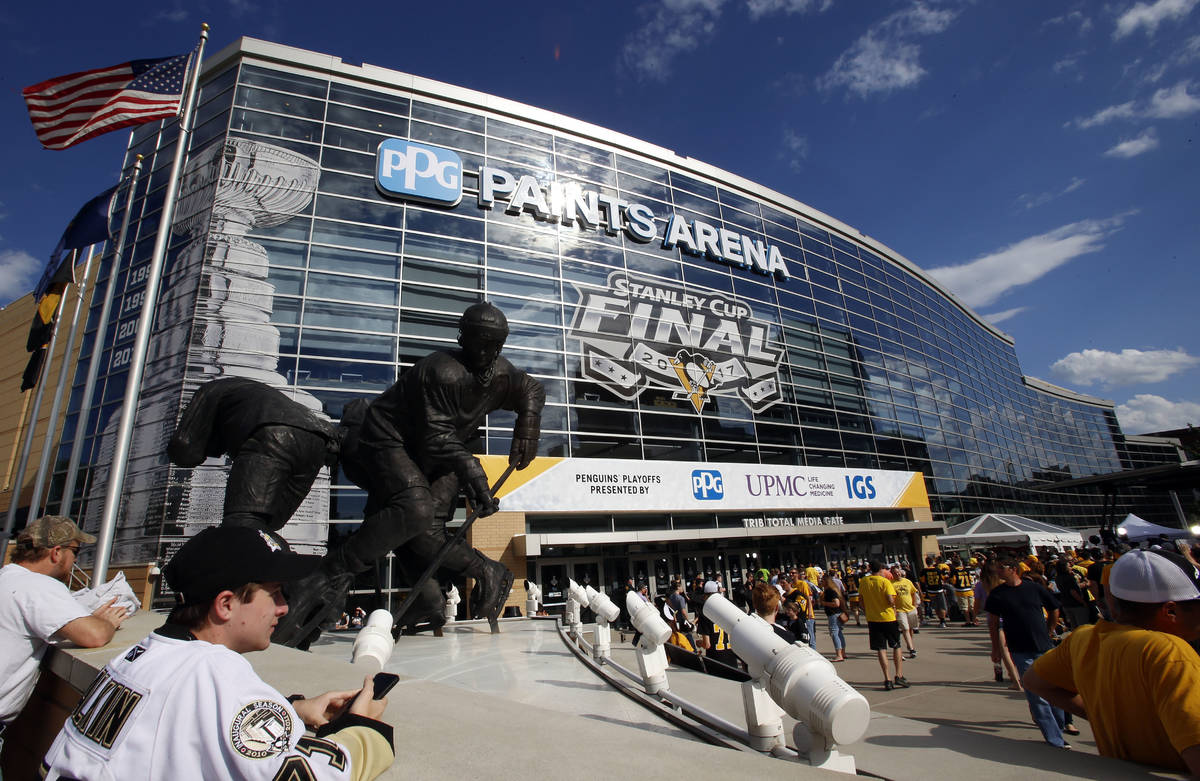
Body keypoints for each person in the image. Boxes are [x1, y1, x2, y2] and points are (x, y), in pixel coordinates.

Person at [277, 303, 545, 645]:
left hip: (445, 450)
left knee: (425, 533)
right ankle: (326, 576)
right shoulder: (441, 371)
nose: (485, 351)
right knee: (414, 510)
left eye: (493, 344)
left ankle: (445, 594)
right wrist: (474, 475)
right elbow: (435, 438)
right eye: (478, 341)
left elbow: (532, 390)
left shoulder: (502, 376)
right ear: (462, 337)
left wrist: (528, 427)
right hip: (392, 438)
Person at [41, 525, 394, 781]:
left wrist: (295, 710)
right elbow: (311, 777)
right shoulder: (213, 670)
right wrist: (362, 727)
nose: (285, 608)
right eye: (275, 593)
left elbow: (189, 713)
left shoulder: (139, 657)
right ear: (225, 604)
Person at [1024, 549, 1200, 774]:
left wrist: (1102, 715)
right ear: (1171, 611)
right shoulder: (1170, 653)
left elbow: (1034, 681)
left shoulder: (1084, 638)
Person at [0, 516, 130, 743]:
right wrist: (107, 622)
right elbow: (94, 635)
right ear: (56, 552)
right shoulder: (37, 586)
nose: (75, 561)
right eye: (75, 552)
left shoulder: (7, 578)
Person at [167, 377, 342, 534]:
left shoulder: (211, 390)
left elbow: (184, 448)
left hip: (275, 433)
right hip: (317, 439)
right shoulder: (254, 394)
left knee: (243, 522)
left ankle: (237, 562)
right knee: (271, 521)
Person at [984, 558, 1069, 749]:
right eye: (997, 568)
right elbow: (993, 623)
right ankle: (1054, 738)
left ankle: (1060, 727)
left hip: (1044, 646)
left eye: (1001, 568)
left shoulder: (1033, 589)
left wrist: (1050, 628)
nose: (998, 571)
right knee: (1036, 695)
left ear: (1013, 569)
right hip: (1020, 650)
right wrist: (996, 648)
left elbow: (1054, 607)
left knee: (1054, 690)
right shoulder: (997, 595)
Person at [859, 560, 907, 691]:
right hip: (888, 617)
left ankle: (887, 678)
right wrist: (894, 608)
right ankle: (899, 674)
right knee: (896, 645)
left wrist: (868, 610)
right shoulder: (885, 582)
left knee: (881, 649)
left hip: (873, 619)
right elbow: (891, 600)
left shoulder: (864, 581)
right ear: (881, 569)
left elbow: (861, 601)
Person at [975, 557, 1021, 690]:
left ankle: (1015, 681)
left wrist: (974, 616)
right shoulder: (1004, 583)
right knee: (1014, 650)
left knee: (1003, 651)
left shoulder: (981, 585)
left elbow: (977, 603)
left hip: (995, 620)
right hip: (1010, 618)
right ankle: (1020, 677)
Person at [890, 564, 919, 659]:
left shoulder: (907, 582)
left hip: (910, 609)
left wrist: (914, 605)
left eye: (898, 572)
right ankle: (911, 649)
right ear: (892, 574)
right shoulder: (891, 584)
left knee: (910, 629)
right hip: (899, 610)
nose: (897, 574)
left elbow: (913, 593)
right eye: (895, 573)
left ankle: (909, 643)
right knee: (905, 629)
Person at [819, 572, 847, 662]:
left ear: (826, 582)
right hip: (837, 614)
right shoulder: (832, 590)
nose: (820, 582)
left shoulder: (830, 591)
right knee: (839, 633)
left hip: (833, 614)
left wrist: (824, 603)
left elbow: (836, 603)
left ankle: (839, 654)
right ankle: (843, 653)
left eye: (822, 580)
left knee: (834, 633)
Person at [920, 555, 949, 628]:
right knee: (942, 606)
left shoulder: (924, 571)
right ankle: (943, 621)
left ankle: (940, 620)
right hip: (939, 589)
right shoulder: (938, 570)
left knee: (936, 607)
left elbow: (922, 580)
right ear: (932, 562)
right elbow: (944, 577)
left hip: (930, 590)